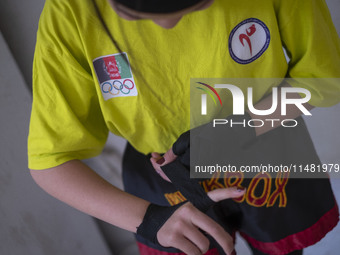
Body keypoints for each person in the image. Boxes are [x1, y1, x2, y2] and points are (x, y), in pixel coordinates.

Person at [27, 0, 340, 254]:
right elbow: (50, 161)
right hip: (164, 180)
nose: (168, 23)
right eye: (133, 13)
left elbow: (324, 79)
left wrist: (240, 129)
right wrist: (148, 220)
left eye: (197, 5)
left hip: (267, 148)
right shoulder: (71, 13)